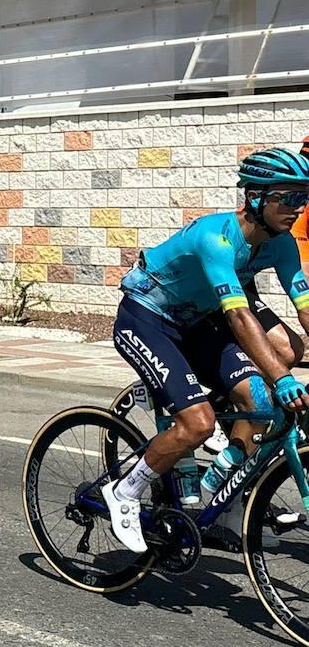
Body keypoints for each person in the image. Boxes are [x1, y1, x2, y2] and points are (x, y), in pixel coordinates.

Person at [102, 148, 309, 554]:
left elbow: (305, 306)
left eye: (303, 199)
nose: (297, 209)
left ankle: (218, 496)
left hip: (194, 323)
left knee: (261, 403)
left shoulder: (281, 245)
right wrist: (283, 377)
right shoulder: (214, 238)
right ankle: (124, 493)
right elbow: (238, 318)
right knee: (197, 424)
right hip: (147, 319)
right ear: (255, 197)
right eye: (287, 198)